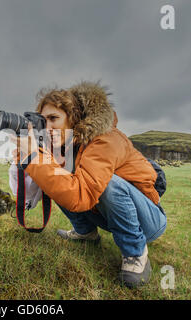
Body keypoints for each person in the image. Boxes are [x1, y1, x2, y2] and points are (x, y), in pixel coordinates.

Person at [9, 81, 167, 288]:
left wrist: (36, 159)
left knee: (107, 183)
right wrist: (34, 159)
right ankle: (86, 233)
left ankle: (136, 252)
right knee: (58, 175)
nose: (47, 127)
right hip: (109, 216)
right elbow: (54, 183)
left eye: (54, 118)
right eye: (42, 120)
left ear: (73, 118)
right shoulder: (67, 146)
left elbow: (80, 195)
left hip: (147, 221)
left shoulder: (106, 139)